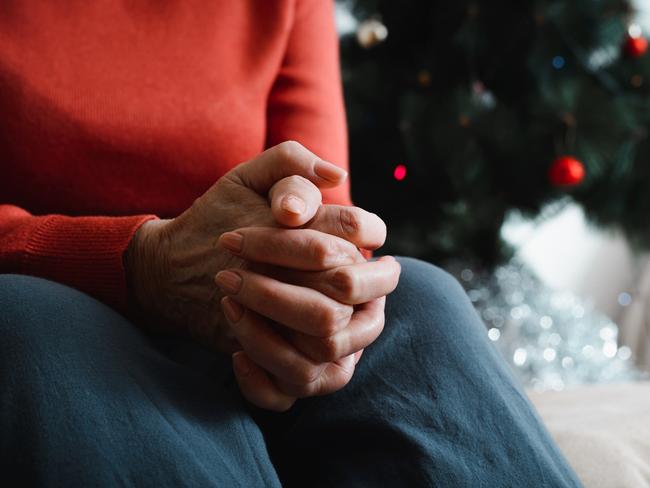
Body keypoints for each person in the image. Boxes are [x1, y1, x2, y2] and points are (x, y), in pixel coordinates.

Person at [0, 1, 582, 486]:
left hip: (235, 302)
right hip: (54, 292)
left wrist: (325, 302)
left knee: (417, 300)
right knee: (32, 322)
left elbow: (323, 195)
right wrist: (140, 264)